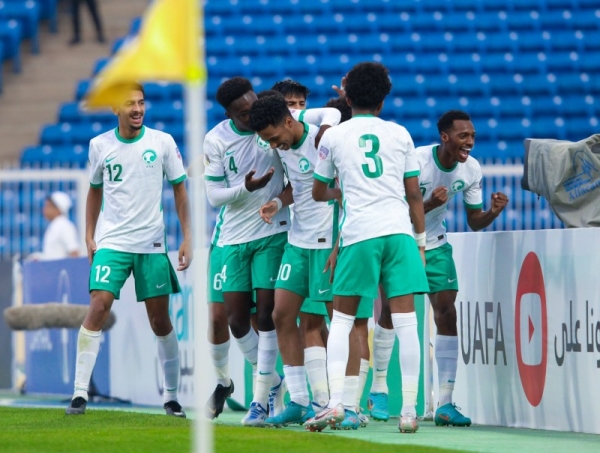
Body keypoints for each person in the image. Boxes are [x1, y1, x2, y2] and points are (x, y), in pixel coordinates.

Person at [306, 62, 430, 434]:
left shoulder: (334, 137)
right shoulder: (400, 134)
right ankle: (408, 410)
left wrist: (342, 190)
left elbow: (317, 191)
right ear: (383, 98)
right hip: (399, 233)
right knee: (408, 323)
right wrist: (420, 244)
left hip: (359, 234)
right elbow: (413, 195)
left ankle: (336, 404)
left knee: (342, 321)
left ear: (347, 95)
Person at [368, 110, 509, 427]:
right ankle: (378, 390)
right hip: (402, 240)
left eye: (472, 136)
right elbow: (393, 205)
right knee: (391, 310)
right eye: (463, 136)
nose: (469, 142)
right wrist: (428, 203)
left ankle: (445, 402)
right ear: (445, 137)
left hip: (436, 243)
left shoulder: (471, 169)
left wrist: (493, 212)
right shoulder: (416, 160)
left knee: (447, 313)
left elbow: (475, 222)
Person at [65, 83, 192, 417]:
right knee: (98, 304)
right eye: (129, 104)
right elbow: (94, 191)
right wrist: (90, 235)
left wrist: (187, 237)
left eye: (141, 103)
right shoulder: (100, 145)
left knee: (160, 319)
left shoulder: (162, 142)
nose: (137, 109)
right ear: (114, 109)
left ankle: (172, 396)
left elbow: (180, 189)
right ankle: (79, 394)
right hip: (113, 242)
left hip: (151, 244)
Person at [248, 94, 341, 426]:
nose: (276, 146)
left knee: (338, 322)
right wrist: (276, 203)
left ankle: (341, 402)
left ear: (289, 121)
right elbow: (297, 188)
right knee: (280, 314)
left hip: (328, 240)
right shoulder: (284, 145)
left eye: (275, 138)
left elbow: (341, 187)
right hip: (298, 241)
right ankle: (300, 400)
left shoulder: (322, 138)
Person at [203, 77, 289, 427]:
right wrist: (245, 187)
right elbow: (213, 196)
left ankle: (260, 398)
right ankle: (274, 381)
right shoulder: (217, 139)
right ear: (229, 114)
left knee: (266, 315)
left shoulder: (270, 125)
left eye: (253, 105)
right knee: (236, 321)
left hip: (271, 232)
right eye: (243, 112)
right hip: (234, 238)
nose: (251, 114)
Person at [37, 191, 80, 260]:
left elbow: (74, 252)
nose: (44, 209)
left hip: (61, 270)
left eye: (48, 206)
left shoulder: (65, 225)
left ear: (59, 209)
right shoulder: (55, 225)